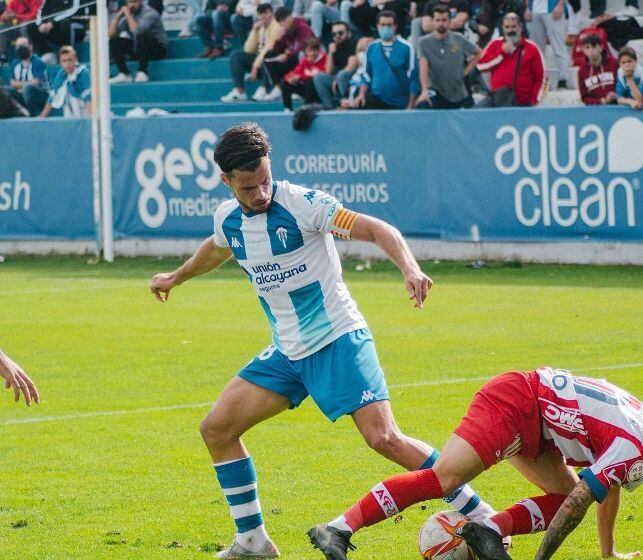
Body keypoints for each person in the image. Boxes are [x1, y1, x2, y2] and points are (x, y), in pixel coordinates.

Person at [150, 122, 496, 559]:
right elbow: (218, 248)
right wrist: (176, 277)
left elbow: (377, 229)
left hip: (337, 340)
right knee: (216, 429)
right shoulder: (227, 219)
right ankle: (253, 542)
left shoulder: (305, 205)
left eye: (265, 181)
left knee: (384, 439)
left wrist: (409, 268)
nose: (260, 193)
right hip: (288, 352)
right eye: (248, 188)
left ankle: (482, 514)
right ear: (226, 182)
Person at [308, 367, 642, 560]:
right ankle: (338, 528)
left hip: (540, 425)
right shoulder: (635, 445)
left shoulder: (637, 423)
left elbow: (603, 484)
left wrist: (608, 552)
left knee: (562, 497)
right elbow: (581, 501)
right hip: (516, 401)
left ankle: (488, 531)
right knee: (445, 478)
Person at [416, 4, 481, 109]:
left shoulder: (458, 39)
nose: (441, 23)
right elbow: (423, 66)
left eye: (444, 20)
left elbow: (478, 53)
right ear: (433, 22)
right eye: (438, 20)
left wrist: (465, 71)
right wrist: (424, 90)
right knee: (423, 105)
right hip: (436, 89)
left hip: (457, 91)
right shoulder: (424, 42)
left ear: (449, 21)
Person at [476, 12, 545, 107]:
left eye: (513, 26)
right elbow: (481, 66)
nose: (510, 30)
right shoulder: (495, 44)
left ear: (520, 27)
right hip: (498, 100)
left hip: (522, 104)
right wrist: (502, 53)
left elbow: (541, 77)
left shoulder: (532, 48)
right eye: (507, 27)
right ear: (503, 28)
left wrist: (535, 100)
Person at [354, 10, 420, 109]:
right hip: (377, 100)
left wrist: (410, 106)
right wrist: (361, 95)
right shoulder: (371, 47)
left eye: (389, 25)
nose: (386, 28)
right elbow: (366, 75)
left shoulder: (407, 47)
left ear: (395, 26)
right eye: (383, 25)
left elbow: (413, 78)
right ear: (377, 26)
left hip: (400, 101)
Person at [221, 3, 282, 102]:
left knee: (268, 56)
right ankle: (239, 91)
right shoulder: (260, 27)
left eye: (266, 13)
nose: (264, 16)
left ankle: (264, 88)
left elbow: (268, 48)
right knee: (236, 56)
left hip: (273, 61)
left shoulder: (277, 27)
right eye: (261, 14)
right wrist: (255, 30)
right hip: (259, 61)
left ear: (271, 13)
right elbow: (248, 49)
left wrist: (255, 66)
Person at [262, 6, 316, 102]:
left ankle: (299, 87)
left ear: (290, 17)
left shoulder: (302, 27)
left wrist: (287, 54)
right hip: (292, 60)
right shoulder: (284, 31)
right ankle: (278, 88)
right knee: (269, 55)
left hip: (310, 60)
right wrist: (278, 40)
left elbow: (305, 47)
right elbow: (277, 50)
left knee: (300, 55)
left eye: (284, 20)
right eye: (280, 22)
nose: (283, 24)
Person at [108, 0, 168, 83]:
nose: (132, 5)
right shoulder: (128, 16)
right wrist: (118, 16)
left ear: (141, 1)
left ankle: (142, 72)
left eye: (135, 2)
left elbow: (137, 31)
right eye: (130, 2)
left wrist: (128, 14)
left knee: (142, 36)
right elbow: (111, 34)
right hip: (139, 48)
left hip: (158, 49)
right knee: (114, 41)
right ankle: (124, 74)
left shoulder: (150, 13)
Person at [313, 21, 358, 107]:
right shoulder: (334, 47)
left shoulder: (354, 42)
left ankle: (346, 104)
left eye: (340, 33)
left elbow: (351, 66)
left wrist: (336, 79)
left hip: (353, 79)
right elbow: (329, 71)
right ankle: (330, 108)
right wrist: (331, 53)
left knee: (342, 75)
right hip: (339, 80)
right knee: (319, 77)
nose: (337, 36)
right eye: (334, 34)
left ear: (349, 33)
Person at [524, 0, 568, 89]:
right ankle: (540, 79)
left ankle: (562, 79)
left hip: (553, 9)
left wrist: (560, 5)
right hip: (534, 11)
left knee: (558, 46)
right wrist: (527, 8)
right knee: (536, 50)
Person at [39, 45, 92, 118]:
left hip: (85, 112)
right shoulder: (62, 73)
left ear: (75, 60)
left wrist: (91, 119)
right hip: (70, 114)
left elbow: (88, 97)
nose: (67, 64)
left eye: (70, 60)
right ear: (60, 62)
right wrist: (41, 118)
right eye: (64, 61)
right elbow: (53, 96)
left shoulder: (83, 73)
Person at [4, 37, 50, 117]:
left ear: (30, 46)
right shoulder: (15, 63)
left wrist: (20, 84)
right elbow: (12, 83)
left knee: (28, 88)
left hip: (40, 95)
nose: (20, 48)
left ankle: (34, 116)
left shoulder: (38, 62)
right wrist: (26, 83)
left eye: (23, 45)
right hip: (22, 94)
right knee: (5, 89)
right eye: (18, 46)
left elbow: (36, 83)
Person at [281, 36, 326, 110]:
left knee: (309, 80)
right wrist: (290, 79)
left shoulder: (324, 59)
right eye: (309, 51)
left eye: (314, 50)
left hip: (318, 92)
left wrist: (300, 77)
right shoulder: (305, 61)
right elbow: (293, 73)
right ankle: (287, 108)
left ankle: (307, 106)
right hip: (307, 91)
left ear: (319, 50)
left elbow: (320, 75)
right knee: (285, 83)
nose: (312, 53)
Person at [578, 32, 618, 105]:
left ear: (601, 47)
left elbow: (622, 84)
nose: (591, 50)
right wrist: (600, 101)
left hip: (616, 105)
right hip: (596, 109)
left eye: (594, 46)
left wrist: (615, 94)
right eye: (587, 47)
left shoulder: (614, 63)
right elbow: (585, 97)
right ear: (583, 50)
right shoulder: (582, 71)